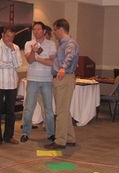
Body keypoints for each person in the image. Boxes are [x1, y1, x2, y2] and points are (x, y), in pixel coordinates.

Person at [44, 18, 79, 150]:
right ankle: (70, 138)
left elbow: (70, 55)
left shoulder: (69, 43)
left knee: (61, 112)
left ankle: (60, 141)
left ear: (61, 29)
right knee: (64, 111)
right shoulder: (64, 43)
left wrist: (63, 67)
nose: (54, 33)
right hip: (63, 78)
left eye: (55, 30)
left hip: (63, 78)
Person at [20, 21, 56, 143]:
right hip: (32, 79)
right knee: (29, 108)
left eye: (38, 29)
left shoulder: (51, 44)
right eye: (34, 29)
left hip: (46, 80)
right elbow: (30, 61)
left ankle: (51, 133)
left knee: (48, 109)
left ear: (44, 31)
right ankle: (25, 132)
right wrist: (33, 52)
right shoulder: (29, 44)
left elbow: (52, 62)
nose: (36, 32)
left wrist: (38, 58)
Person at [0, 26, 22, 148]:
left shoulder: (15, 48)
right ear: (3, 35)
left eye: (12, 37)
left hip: (12, 84)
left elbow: (19, 64)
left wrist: (13, 52)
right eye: (8, 36)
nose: (10, 39)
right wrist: (11, 64)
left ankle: (9, 136)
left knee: (11, 112)